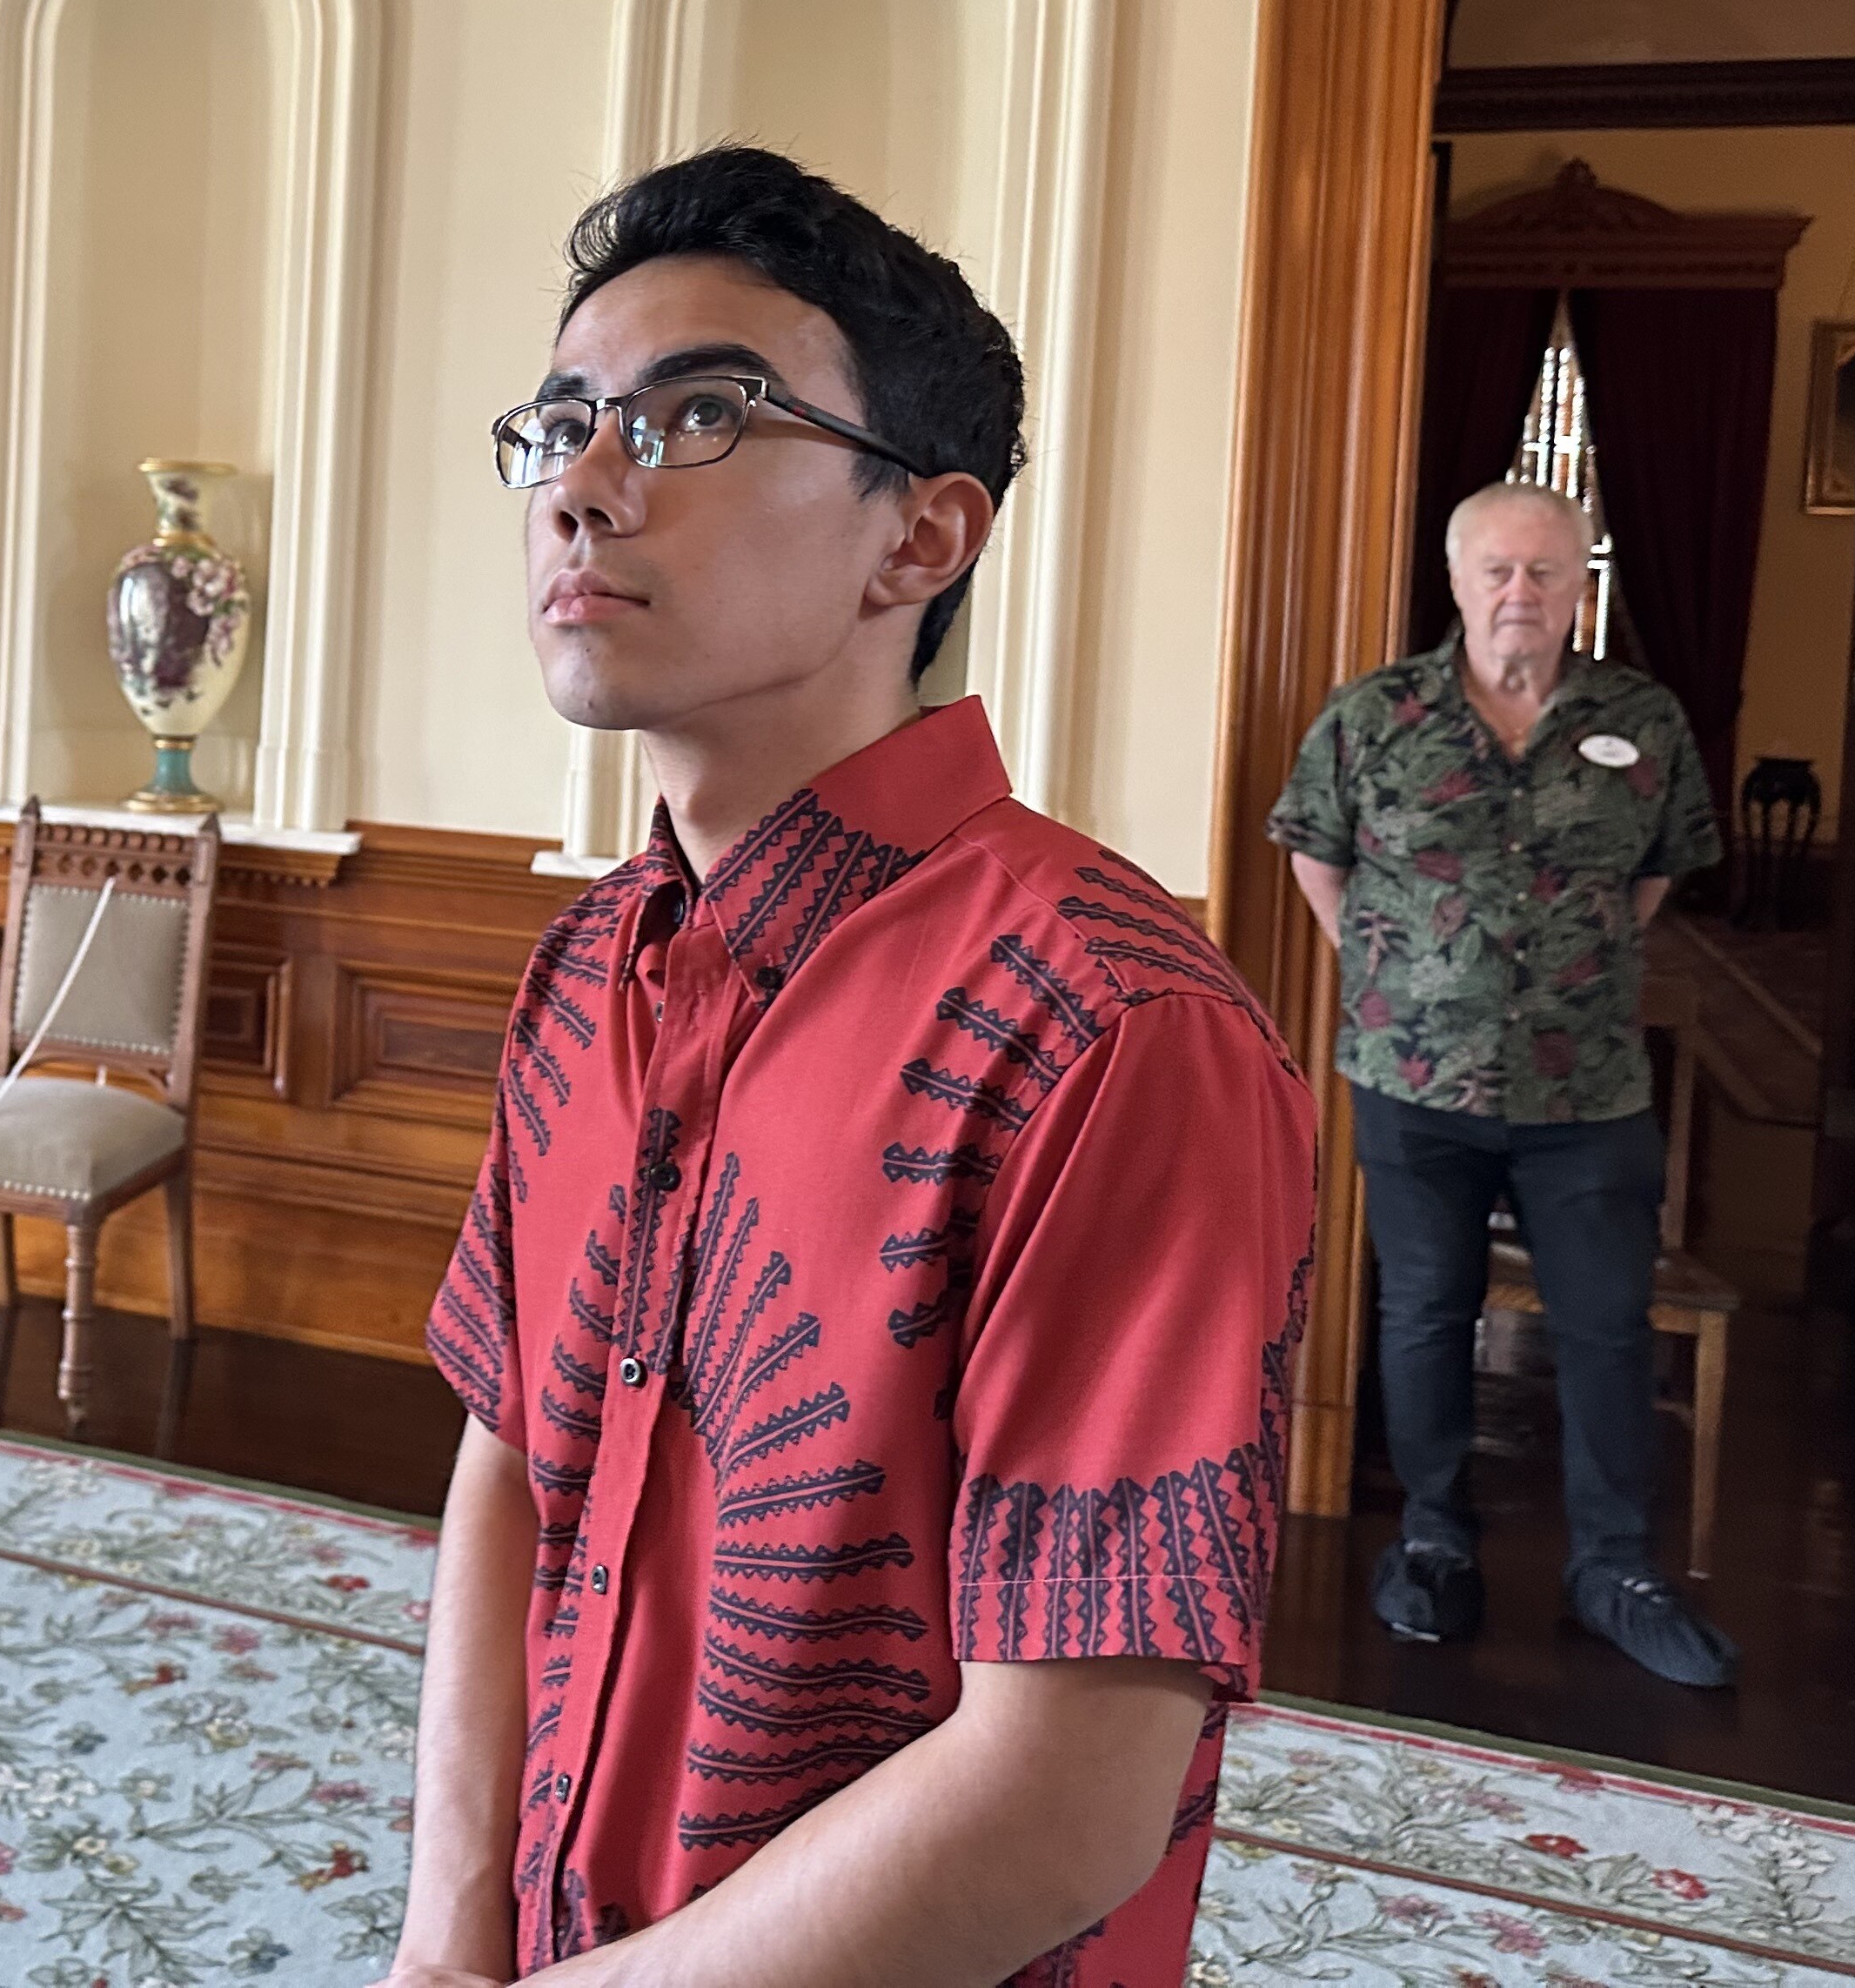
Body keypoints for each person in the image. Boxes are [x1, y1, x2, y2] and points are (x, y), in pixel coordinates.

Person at [378, 147, 1320, 1987]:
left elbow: (1067, 1789)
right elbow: (511, 1460)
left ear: (922, 535)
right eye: (563, 422)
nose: (581, 485)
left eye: (697, 414)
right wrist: (444, 1936)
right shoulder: (590, 967)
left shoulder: (1113, 1023)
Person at [1268, 481, 1735, 1688]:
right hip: (1412, 1078)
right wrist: (1397, 978)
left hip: (1588, 1090)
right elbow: (1317, 856)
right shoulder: (1376, 716)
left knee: (1605, 1329)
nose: (1520, 593)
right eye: (1498, 572)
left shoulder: (1644, 720)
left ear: (1583, 584)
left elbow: (1656, 875)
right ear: (1459, 579)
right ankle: (1433, 1542)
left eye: (1545, 572)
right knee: (1425, 1312)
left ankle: (1617, 1569)